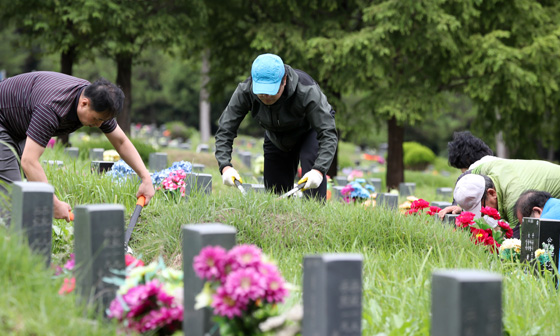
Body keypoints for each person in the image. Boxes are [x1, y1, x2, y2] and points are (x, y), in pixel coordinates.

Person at [0, 71, 155, 221]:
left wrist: (146, 177)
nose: (99, 125)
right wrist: (53, 203)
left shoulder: (97, 102)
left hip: (16, 123)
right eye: (97, 119)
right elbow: (29, 161)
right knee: (11, 194)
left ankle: (25, 238)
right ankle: (10, 243)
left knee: (28, 191)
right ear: (84, 103)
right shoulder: (52, 107)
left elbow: (121, 142)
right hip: (3, 120)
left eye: (102, 120)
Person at [214, 53, 337, 200]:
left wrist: (318, 170)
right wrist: (225, 166)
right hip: (275, 137)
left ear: (284, 80)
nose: (266, 97)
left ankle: (315, 218)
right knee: (276, 196)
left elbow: (328, 132)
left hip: (310, 132)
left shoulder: (306, 90)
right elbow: (226, 129)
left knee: (312, 184)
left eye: (272, 92)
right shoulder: (246, 91)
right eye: (261, 93)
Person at [441, 159, 560, 238]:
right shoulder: (487, 168)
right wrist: (459, 204)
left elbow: (516, 244)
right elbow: (465, 177)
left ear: (492, 193)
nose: (482, 215)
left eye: (480, 208)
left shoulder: (516, 200)